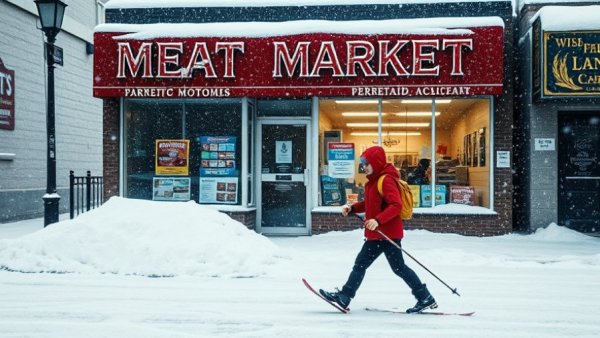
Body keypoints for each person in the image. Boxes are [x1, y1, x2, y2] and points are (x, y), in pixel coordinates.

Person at [319, 146, 436, 313]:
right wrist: (352, 209)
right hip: (378, 234)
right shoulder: (373, 181)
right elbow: (369, 204)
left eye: (366, 163)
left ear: (376, 162)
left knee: (389, 267)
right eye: (363, 163)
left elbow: (396, 205)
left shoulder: (386, 180)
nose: (364, 167)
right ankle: (424, 297)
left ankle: (424, 297)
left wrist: (378, 220)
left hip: (386, 234)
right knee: (373, 265)